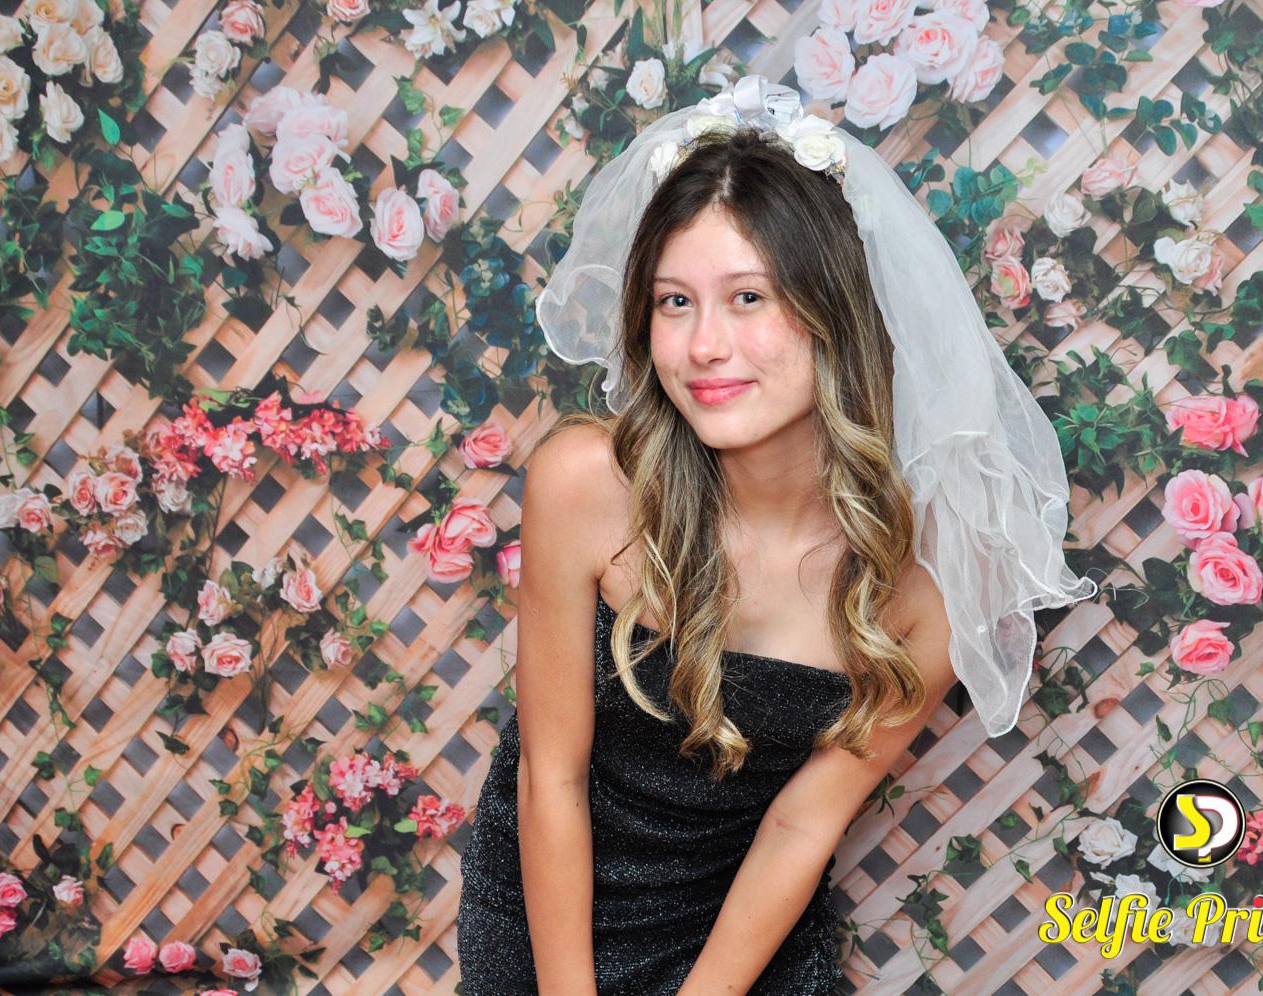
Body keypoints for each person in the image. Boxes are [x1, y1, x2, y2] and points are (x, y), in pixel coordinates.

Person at [455, 76, 1097, 994]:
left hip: (742, 933)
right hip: (546, 912)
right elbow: (548, 776)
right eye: (674, 302)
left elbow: (804, 823)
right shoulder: (585, 484)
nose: (703, 347)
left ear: (834, 311)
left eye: (748, 297)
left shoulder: (937, 575)